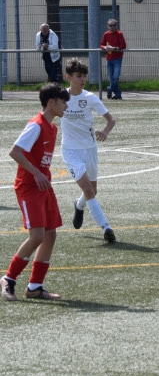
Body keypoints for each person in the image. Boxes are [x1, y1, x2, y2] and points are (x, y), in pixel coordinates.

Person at [1, 83, 71, 301]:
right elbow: (15, 151)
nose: (66, 106)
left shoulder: (52, 128)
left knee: (50, 235)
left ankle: (35, 287)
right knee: (37, 236)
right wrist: (36, 173)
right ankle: (8, 278)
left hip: (44, 186)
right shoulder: (36, 125)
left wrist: (42, 176)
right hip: (29, 187)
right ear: (51, 103)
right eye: (63, 102)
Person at [61, 59, 117, 243]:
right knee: (87, 188)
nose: (83, 79)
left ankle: (79, 205)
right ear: (69, 77)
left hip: (90, 149)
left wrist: (105, 132)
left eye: (84, 76)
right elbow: (47, 115)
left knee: (92, 190)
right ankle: (106, 227)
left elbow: (111, 120)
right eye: (78, 76)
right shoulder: (61, 97)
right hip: (71, 151)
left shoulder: (90, 97)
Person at [99, 19, 126, 100]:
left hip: (117, 58)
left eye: (114, 25)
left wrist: (114, 48)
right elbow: (101, 45)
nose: (112, 27)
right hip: (109, 59)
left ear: (116, 26)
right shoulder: (106, 34)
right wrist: (105, 47)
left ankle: (109, 89)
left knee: (115, 77)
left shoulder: (119, 34)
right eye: (110, 25)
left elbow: (123, 45)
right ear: (108, 26)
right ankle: (118, 94)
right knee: (111, 78)